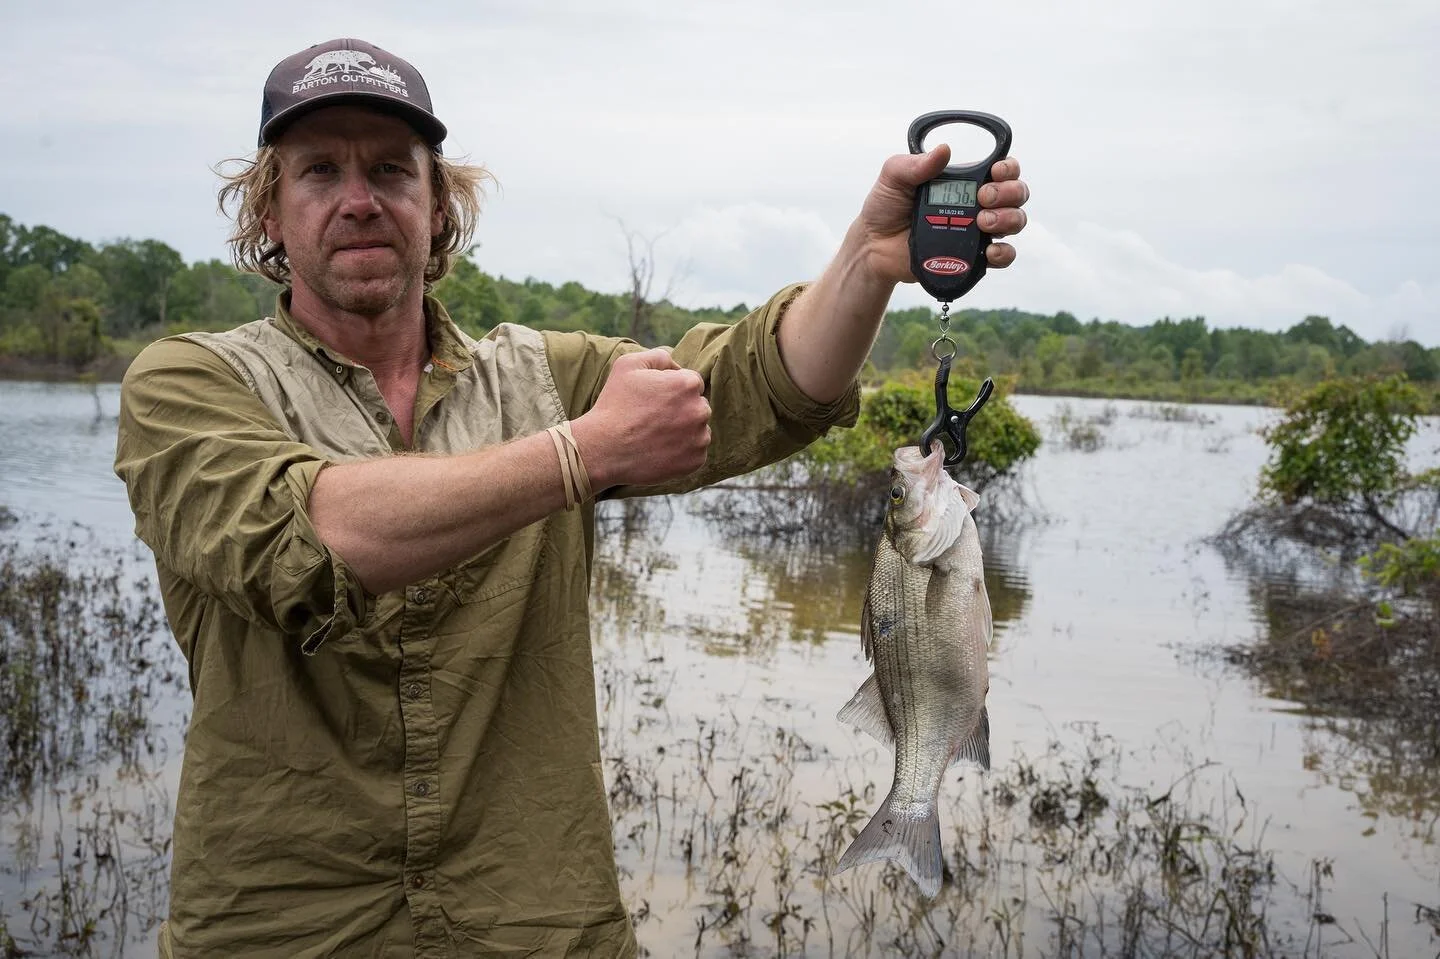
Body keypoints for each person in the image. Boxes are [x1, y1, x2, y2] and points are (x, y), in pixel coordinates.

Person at [114, 37, 1030, 959]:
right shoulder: (188, 383)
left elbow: (758, 387)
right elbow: (303, 536)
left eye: (392, 169)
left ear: (440, 206)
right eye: (320, 171)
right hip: (280, 930)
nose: (359, 199)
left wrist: (867, 263)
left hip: (537, 921)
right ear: (270, 208)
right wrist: (578, 455)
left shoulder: (543, 376)